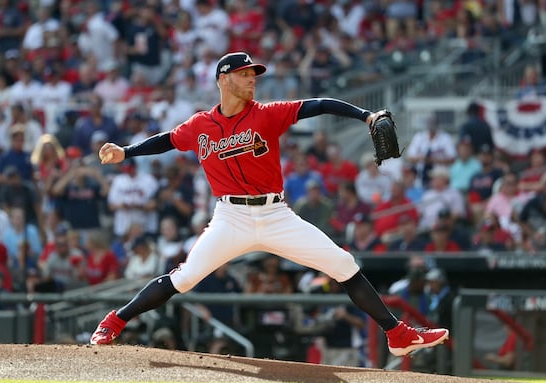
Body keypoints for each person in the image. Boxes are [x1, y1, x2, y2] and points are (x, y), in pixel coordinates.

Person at [90, 52, 448, 357]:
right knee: (183, 279)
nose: (252, 81)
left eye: (253, 75)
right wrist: (127, 151)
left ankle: (398, 336)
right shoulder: (201, 125)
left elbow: (319, 104)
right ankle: (115, 320)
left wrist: (365, 116)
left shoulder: (267, 114)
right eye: (244, 75)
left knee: (343, 263)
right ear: (223, 79)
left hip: (276, 214)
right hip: (230, 217)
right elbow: (167, 139)